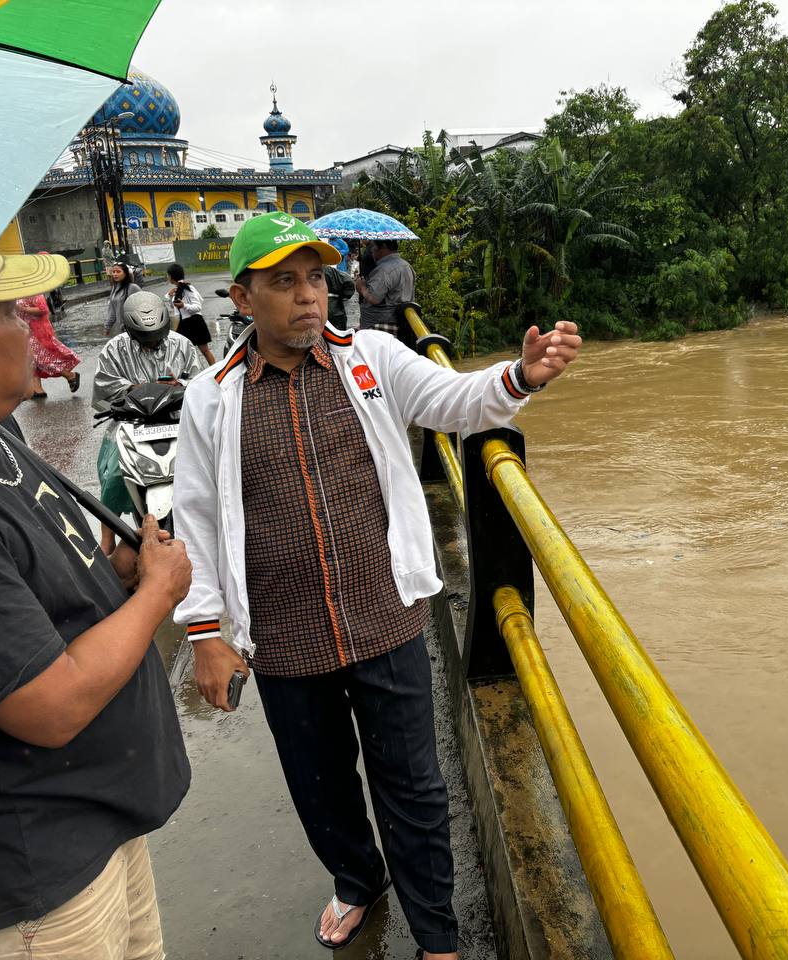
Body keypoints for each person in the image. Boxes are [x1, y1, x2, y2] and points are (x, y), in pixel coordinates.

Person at [173, 212, 582, 959]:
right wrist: (205, 631)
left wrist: (520, 376)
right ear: (241, 297)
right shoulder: (211, 396)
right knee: (319, 784)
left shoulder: (373, 358)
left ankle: (437, 934)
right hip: (284, 633)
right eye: (284, 282)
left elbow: (456, 401)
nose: (308, 295)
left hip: (385, 615)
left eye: (316, 278)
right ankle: (357, 880)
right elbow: (196, 517)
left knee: (414, 785)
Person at [0, 213, 192, 958]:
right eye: (9, 313)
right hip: (37, 871)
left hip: (96, 817)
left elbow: (32, 599)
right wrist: (156, 596)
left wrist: (116, 578)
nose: (33, 326)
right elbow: (48, 706)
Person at [93, 291, 206, 554]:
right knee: (114, 473)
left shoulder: (182, 344)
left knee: (206, 464)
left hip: (176, 420)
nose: (153, 342)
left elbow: (200, 380)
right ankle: (107, 536)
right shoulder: (114, 349)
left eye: (157, 336)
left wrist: (180, 384)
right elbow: (104, 387)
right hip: (131, 422)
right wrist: (134, 388)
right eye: (146, 338)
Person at [18, 292, 81, 399]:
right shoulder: (14, 294)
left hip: (37, 332)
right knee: (31, 362)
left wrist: (22, 309)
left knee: (42, 360)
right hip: (24, 332)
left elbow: (43, 309)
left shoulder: (33, 292)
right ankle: (37, 389)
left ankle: (70, 375)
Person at [354, 239, 414, 336]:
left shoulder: (384, 270)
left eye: (374, 246)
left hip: (379, 324)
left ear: (383, 246)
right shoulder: (406, 265)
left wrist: (362, 287)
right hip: (398, 321)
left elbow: (374, 298)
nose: (372, 250)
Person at [165, 262, 215, 365]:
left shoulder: (188, 288)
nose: (167, 277)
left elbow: (198, 307)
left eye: (168, 275)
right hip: (184, 323)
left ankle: (217, 371)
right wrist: (170, 296)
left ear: (172, 276)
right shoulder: (177, 289)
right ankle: (189, 371)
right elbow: (174, 308)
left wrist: (184, 305)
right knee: (180, 351)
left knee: (204, 350)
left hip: (195, 322)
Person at [104, 262, 141, 337]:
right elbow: (112, 311)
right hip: (121, 329)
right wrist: (107, 327)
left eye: (118, 272)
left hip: (134, 328)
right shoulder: (114, 289)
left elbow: (142, 306)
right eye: (113, 272)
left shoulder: (133, 288)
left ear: (125, 273)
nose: (115, 274)